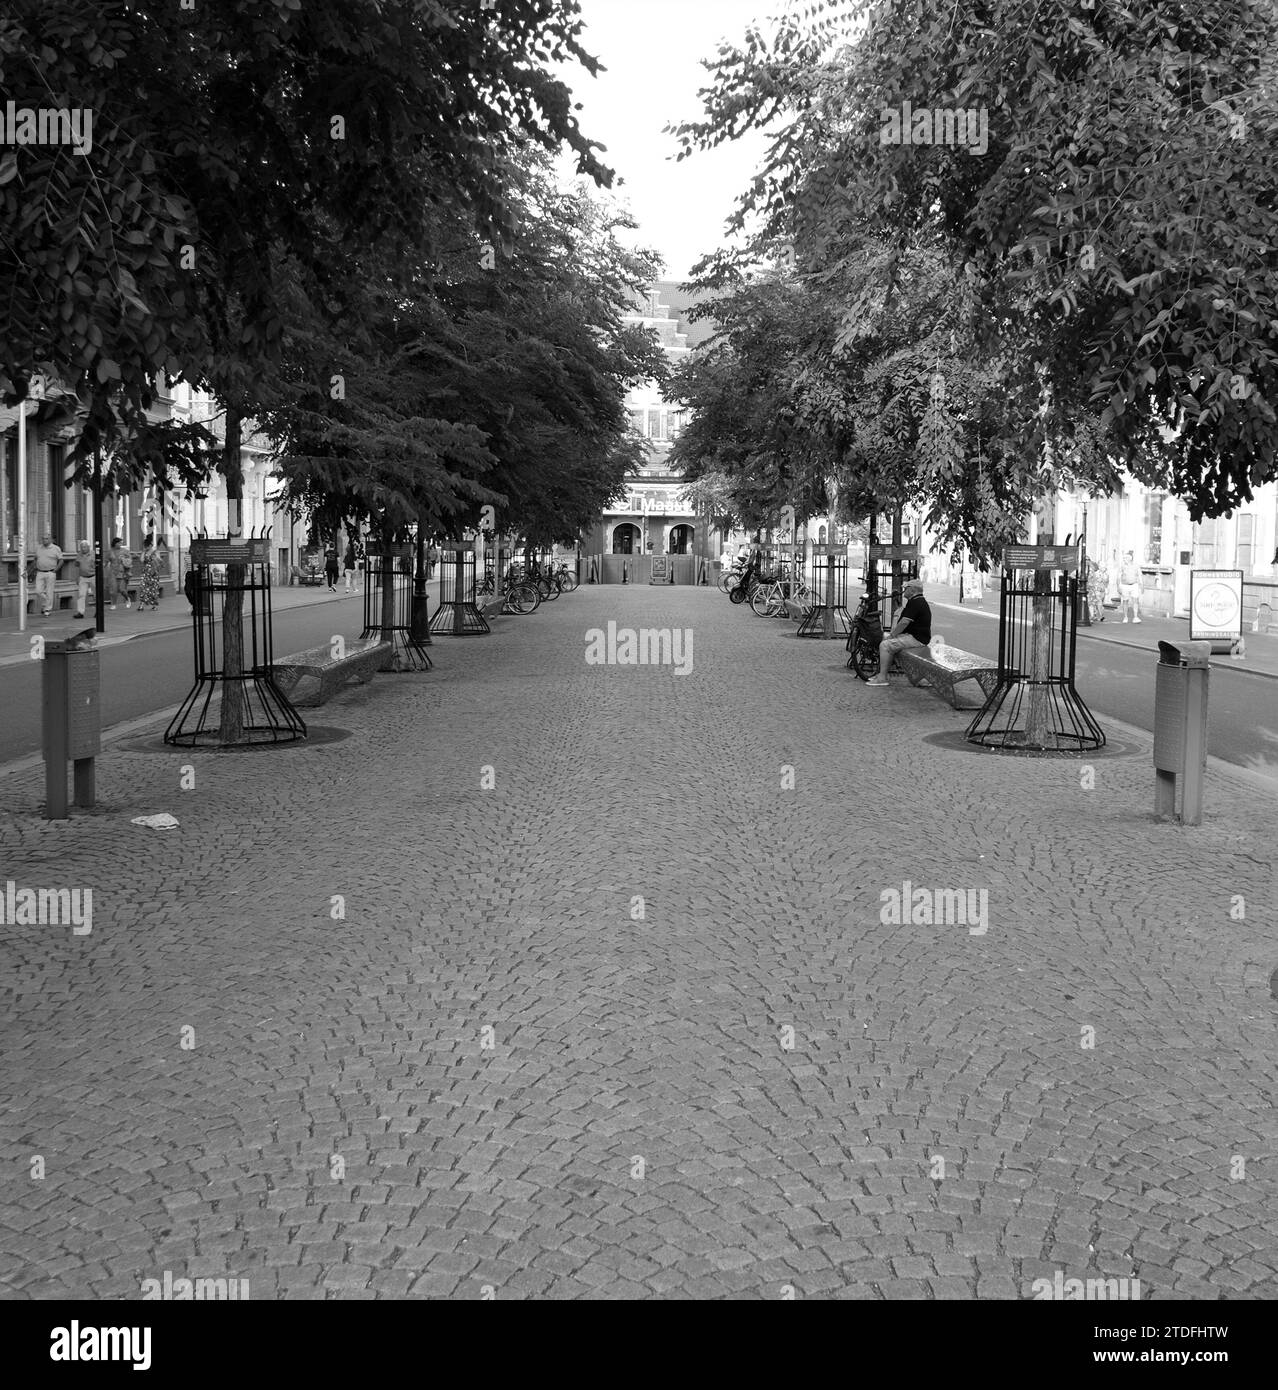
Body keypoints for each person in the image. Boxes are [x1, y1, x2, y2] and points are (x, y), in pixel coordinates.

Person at [866, 577, 931, 687]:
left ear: (912, 590)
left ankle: (882, 678)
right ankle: (881, 673)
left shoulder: (916, 602)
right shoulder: (916, 601)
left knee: (885, 645)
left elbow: (904, 622)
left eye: (906, 588)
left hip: (917, 639)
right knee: (884, 638)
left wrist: (892, 635)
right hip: (914, 636)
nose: (904, 591)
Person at [32, 533, 63, 615]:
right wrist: (35, 566)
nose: (44, 540)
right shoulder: (38, 548)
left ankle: (47, 609)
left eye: (46, 539)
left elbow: (61, 560)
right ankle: (46, 602)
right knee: (38, 591)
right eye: (43, 538)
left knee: (49, 591)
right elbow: (35, 558)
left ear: (50, 540)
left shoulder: (56, 548)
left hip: (50, 572)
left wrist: (55, 570)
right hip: (40, 572)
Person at [69, 540, 93, 618]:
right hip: (83, 577)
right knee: (81, 595)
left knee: (97, 595)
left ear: (89, 547)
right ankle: (80, 612)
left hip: (93, 576)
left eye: (85, 547)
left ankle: (98, 611)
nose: (83, 549)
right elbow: (77, 566)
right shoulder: (79, 555)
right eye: (82, 547)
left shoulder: (93, 554)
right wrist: (76, 577)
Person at [138, 537, 162, 611]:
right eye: (145, 546)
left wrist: (155, 558)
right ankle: (141, 605)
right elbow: (141, 560)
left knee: (153, 589)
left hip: (154, 572)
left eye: (147, 546)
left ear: (151, 545)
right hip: (145, 572)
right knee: (143, 588)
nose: (146, 547)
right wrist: (143, 552)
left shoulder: (156, 552)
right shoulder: (145, 552)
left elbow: (160, 560)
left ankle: (154, 605)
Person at [108, 537, 132, 610]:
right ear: (115, 543)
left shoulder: (124, 551)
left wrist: (125, 560)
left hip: (122, 572)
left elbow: (130, 561)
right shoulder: (110, 551)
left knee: (122, 589)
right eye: (119, 543)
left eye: (121, 543)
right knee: (113, 590)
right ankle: (113, 604)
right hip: (113, 572)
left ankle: (127, 598)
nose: (120, 544)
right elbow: (105, 561)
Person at [1118, 550, 1141, 623]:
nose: (1124, 560)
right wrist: (1118, 586)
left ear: (1130, 558)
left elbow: (1139, 575)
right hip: (1125, 585)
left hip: (1134, 585)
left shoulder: (1136, 565)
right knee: (1125, 601)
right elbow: (1118, 577)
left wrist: (1141, 585)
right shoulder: (1122, 566)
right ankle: (1125, 617)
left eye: (1125, 558)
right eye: (1124, 558)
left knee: (1136, 600)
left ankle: (1136, 617)